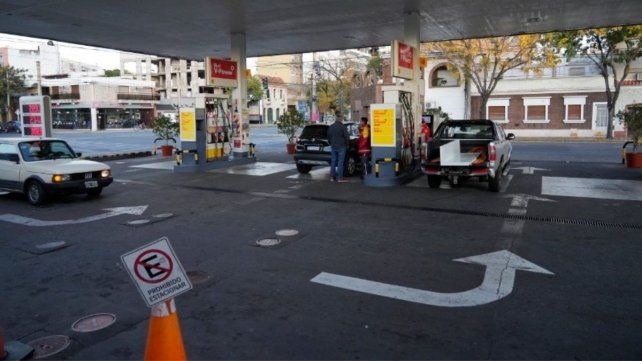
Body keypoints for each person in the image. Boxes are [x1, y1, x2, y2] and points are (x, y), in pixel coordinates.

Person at [327, 112, 349, 182]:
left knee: (333, 161)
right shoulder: (343, 127)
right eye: (342, 118)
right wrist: (347, 144)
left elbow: (328, 137)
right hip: (341, 146)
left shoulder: (331, 126)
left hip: (333, 146)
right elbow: (346, 137)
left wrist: (331, 143)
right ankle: (340, 178)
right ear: (340, 118)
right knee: (340, 162)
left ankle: (332, 177)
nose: (342, 119)